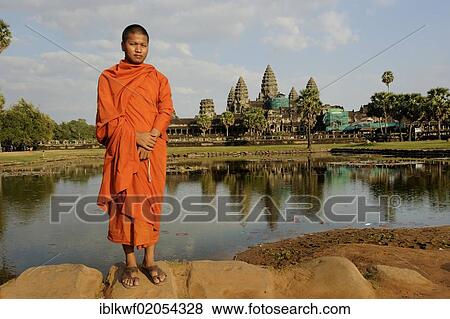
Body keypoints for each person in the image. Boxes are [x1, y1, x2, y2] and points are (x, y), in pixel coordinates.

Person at [95, 24, 174, 288]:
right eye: (133, 44)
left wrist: (150, 136)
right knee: (125, 207)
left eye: (143, 45)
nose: (138, 49)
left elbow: (166, 109)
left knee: (151, 204)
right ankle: (130, 263)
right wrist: (134, 137)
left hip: (152, 151)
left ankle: (150, 260)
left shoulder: (158, 77)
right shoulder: (108, 77)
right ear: (123, 46)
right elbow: (107, 118)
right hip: (124, 153)